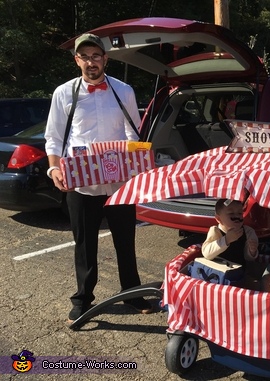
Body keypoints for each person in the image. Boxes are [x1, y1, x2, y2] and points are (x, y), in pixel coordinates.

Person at [45, 33, 152, 325]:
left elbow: (133, 133)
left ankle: (132, 293)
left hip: (119, 184)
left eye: (96, 56)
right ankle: (83, 299)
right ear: (76, 59)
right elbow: (53, 138)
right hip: (81, 183)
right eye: (85, 56)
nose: (91, 62)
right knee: (84, 243)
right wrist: (54, 169)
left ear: (105, 58)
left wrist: (136, 163)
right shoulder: (64, 93)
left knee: (125, 240)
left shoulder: (124, 91)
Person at [201, 198, 259, 265]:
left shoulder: (248, 232)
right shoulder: (215, 231)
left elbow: (248, 258)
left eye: (240, 213)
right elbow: (207, 254)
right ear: (219, 219)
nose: (237, 216)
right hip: (218, 272)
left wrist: (252, 251)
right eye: (231, 213)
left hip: (238, 271)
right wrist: (226, 240)